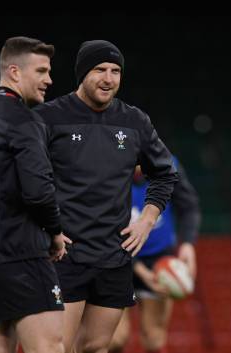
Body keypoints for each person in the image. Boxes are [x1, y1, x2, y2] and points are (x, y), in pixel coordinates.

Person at [34, 40, 178, 353]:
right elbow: (23, 179)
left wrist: (148, 220)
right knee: (57, 347)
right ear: (82, 74)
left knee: (97, 346)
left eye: (115, 71)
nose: (108, 78)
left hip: (113, 256)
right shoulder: (48, 118)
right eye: (100, 69)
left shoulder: (134, 120)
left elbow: (165, 174)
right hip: (64, 256)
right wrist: (45, 229)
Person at [0, 36, 71, 353]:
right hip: (19, 255)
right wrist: (56, 232)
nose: (49, 80)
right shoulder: (23, 119)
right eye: (42, 71)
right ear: (15, 72)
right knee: (49, 347)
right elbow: (38, 191)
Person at [109, 160, 200, 353]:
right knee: (114, 340)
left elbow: (189, 206)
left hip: (158, 260)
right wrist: (139, 269)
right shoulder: (108, 170)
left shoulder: (168, 164)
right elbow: (103, 227)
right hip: (115, 259)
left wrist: (187, 245)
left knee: (153, 340)